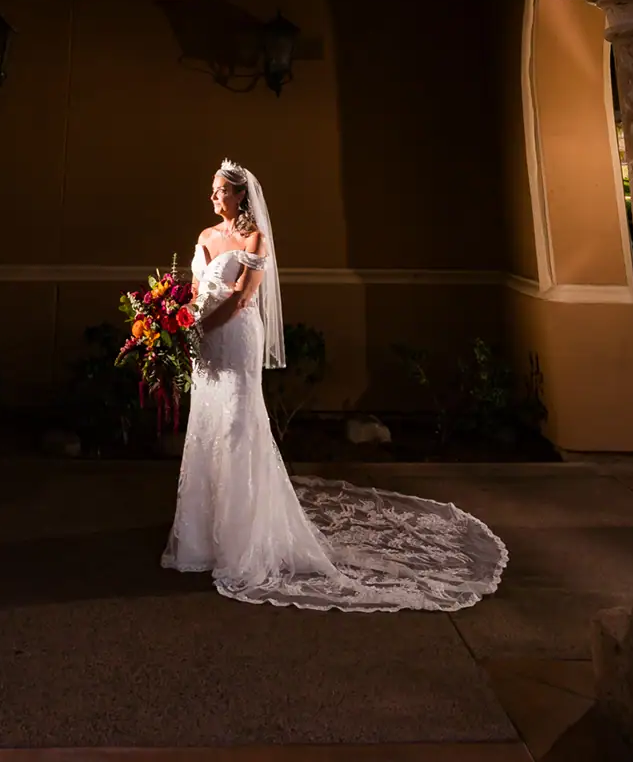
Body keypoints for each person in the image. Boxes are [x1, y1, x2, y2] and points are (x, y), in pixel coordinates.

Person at [161, 159, 508, 611]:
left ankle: (241, 541)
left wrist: (202, 327)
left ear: (240, 195)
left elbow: (244, 297)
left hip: (234, 336)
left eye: (220, 190)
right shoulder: (206, 236)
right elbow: (195, 290)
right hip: (204, 343)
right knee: (207, 425)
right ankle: (201, 539)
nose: (212, 196)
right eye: (212, 189)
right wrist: (179, 322)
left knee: (236, 427)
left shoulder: (255, 238)